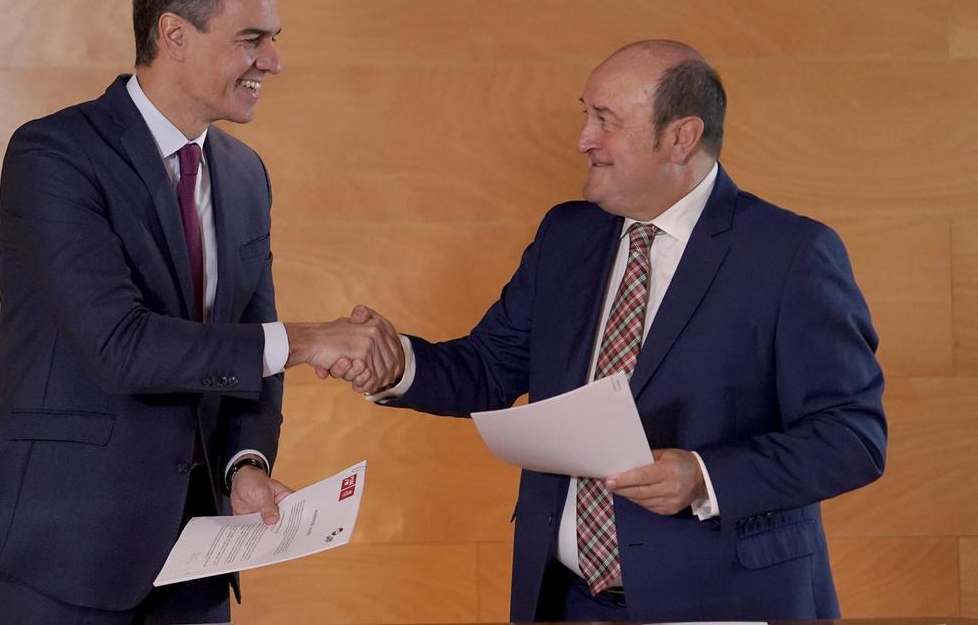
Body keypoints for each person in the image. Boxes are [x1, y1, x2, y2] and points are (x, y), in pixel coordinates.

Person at [342, 40, 887, 621]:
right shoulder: (566, 235)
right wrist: (394, 364)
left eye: (605, 120)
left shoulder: (791, 253)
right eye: (586, 114)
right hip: (567, 602)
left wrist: (704, 477)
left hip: (728, 602)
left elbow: (852, 437)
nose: (583, 138)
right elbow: (489, 366)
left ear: (681, 137)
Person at [0, 0, 399, 624]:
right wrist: (309, 340)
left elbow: (252, 344)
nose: (273, 62)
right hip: (62, 546)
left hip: (195, 554)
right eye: (252, 39)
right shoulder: (55, 155)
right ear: (174, 35)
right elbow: (120, 346)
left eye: (274, 39)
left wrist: (243, 464)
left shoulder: (246, 176)